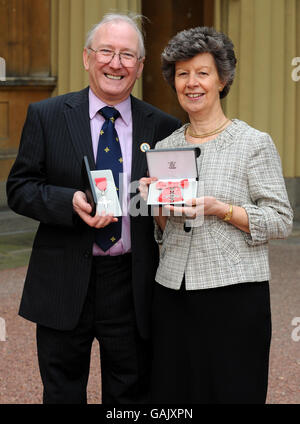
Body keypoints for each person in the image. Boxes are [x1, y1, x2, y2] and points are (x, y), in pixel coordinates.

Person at [6, 13, 181, 404]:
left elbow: (173, 205)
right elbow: (19, 188)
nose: (115, 63)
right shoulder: (46, 116)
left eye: (126, 55)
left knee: (131, 394)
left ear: (139, 67)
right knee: (63, 392)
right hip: (64, 278)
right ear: (87, 57)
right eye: (106, 51)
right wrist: (65, 201)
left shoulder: (165, 128)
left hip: (133, 283)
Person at [139, 26, 293, 404]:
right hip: (172, 295)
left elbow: (280, 220)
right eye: (182, 74)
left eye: (202, 73)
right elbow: (165, 231)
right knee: (173, 397)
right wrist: (154, 207)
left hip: (234, 298)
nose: (191, 83)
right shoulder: (166, 146)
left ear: (222, 79)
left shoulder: (252, 143)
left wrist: (221, 209)